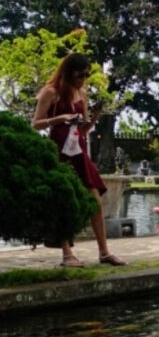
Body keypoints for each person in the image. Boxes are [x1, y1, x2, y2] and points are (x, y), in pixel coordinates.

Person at [31, 53, 126, 267]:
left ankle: (104, 251)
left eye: (86, 75)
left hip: (78, 150)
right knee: (65, 200)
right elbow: (35, 123)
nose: (83, 79)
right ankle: (67, 253)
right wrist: (60, 118)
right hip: (59, 150)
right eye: (79, 74)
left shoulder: (81, 93)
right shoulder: (50, 92)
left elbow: (84, 130)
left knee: (95, 201)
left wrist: (94, 117)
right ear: (68, 72)